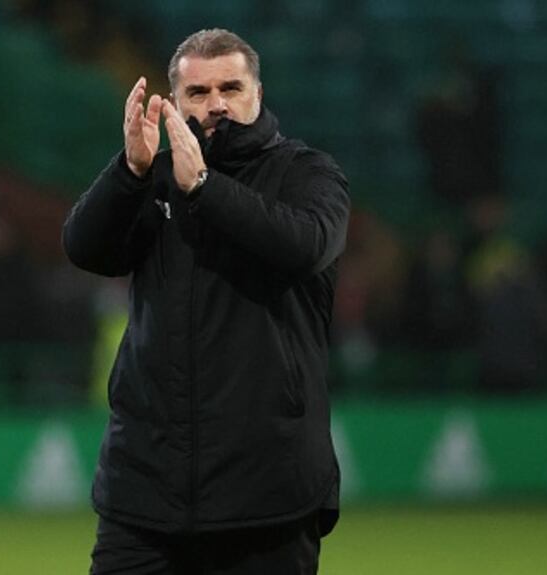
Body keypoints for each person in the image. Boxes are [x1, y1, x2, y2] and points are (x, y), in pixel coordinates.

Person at [63, 29, 350, 573]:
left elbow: (305, 246)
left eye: (231, 87)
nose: (216, 104)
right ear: (174, 103)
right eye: (197, 92)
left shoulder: (307, 173)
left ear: (257, 96)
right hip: (145, 488)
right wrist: (130, 171)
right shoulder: (153, 181)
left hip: (266, 493)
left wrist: (204, 187)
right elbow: (84, 247)